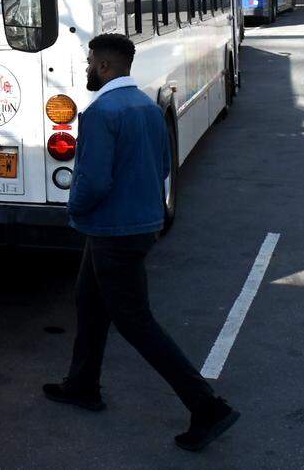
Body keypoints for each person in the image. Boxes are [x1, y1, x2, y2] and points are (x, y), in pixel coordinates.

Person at [43, 34, 239, 452]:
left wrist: (74, 210)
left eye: (91, 61)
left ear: (106, 67)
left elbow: (93, 180)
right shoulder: (147, 108)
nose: (87, 68)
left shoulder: (100, 113)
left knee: (136, 322)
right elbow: (164, 164)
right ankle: (82, 384)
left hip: (112, 233)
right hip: (135, 228)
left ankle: (207, 406)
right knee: (89, 303)